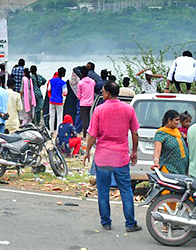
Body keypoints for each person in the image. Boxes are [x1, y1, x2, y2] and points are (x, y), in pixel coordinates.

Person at [83, 81, 140, 233]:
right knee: (126, 190)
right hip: (121, 157)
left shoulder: (99, 110)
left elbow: (92, 135)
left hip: (103, 157)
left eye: (102, 91)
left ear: (107, 93)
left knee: (103, 190)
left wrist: (87, 151)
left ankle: (106, 221)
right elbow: (135, 133)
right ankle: (130, 223)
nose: (102, 94)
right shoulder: (128, 109)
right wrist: (134, 152)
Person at [151, 110, 188, 175]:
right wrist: (156, 163)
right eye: (176, 120)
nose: (178, 122)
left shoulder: (177, 132)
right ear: (169, 120)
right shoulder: (161, 134)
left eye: (179, 120)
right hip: (168, 170)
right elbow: (157, 150)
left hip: (181, 170)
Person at [75, 69, 96, 137]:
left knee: (84, 119)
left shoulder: (80, 83)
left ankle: (84, 134)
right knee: (90, 118)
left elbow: (78, 94)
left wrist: (81, 99)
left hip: (83, 103)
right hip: (91, 103)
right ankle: (90, 133)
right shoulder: (92, 82)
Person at [47, 68, 68, 132]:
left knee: (52, 116)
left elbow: (49, 89)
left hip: (52, 100)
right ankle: (59, 130)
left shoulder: (51, 81)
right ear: (63, 74)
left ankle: (51, 131)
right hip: (59, 101)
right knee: (59, 116)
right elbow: (65, 93)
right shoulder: (63, 83)